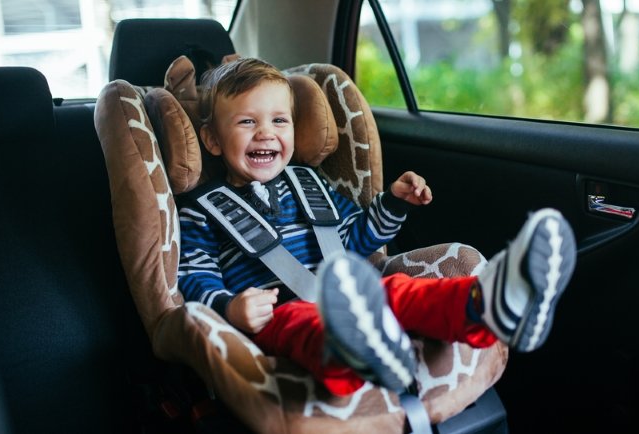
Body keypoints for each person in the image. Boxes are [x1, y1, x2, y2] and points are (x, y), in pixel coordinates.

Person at [177, 57, 577, 396]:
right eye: (248, 122)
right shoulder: (202, 211)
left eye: (279, 120)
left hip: (351, 296)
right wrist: (231, 307)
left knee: (399, 291)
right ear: (212, 140)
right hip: (277, 316)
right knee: (307, 324)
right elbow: (194, 278)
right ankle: (358, 353)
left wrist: (393, 203)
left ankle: (489, 305)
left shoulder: (309, 183)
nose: (266, 132)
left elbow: (354, 239)